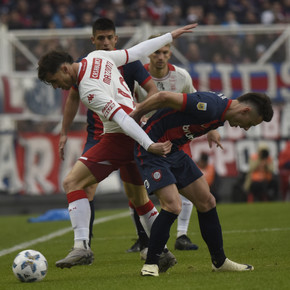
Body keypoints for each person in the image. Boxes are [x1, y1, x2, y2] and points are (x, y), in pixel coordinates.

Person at [37, 23, 198, 270]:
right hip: (135, 131)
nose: (56, 86)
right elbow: (135, 52)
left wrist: (149, 144)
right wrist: (168, 36)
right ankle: (162, 251)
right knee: (139, 198)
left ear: (64, 68)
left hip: (122, 137)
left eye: (54, 80)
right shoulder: (97, 57)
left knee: (72, 183)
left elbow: (123, 118)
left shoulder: (89, 90)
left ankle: (81, 247)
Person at [130, 90, 273, 276]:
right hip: (152, 149)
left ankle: (220, 262)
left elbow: (198, 111)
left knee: (207, 201)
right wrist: (136, 113)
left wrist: (211, 131)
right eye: (251, 123)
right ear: (245, 111)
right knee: (173, 205)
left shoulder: (220, 113)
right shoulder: (211, 106)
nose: (246, 128)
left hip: (173, 150)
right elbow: (164, 97)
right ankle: (150, 265)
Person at [59, 18, 158, 256]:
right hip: (98, 135)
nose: (104, 42)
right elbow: (73, 99)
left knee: (136, 193)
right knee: (87, 186)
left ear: (116, 39)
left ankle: (147, 243)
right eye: (100, 38)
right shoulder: (86, 65)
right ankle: (85, 244)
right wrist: (64, 131)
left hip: (124, 130)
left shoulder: (129, 63)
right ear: (93, 40)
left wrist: (142, 114)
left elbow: (153, 90)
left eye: (108, 38)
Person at [135, 37, 198, 251]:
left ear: (169, 54)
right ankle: (143, 237)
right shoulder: (138, 75)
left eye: (164, 52)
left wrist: (212, 131)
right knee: (137, 188)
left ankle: (182, 235)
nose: (160, 57)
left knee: (185, 181)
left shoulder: (181, 76)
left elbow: (196, 103)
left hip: (175, 136)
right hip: (145, 137)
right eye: (156, 53)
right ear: (149, 54)